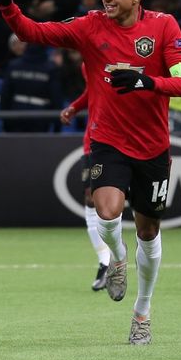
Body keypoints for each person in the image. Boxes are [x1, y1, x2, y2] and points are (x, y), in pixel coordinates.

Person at [0, 0, 181, 345]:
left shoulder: (164, 25)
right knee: (107, 210)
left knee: (149, 232)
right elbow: (32, 32)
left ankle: (142, 311)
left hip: (152, 148)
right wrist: (6, 6)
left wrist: (145, 82)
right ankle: (116, 257)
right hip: (108, 140)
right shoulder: (89, 26)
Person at [60, 64, 111, 291]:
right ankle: (105, 262)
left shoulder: (124, 57)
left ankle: (118, 260)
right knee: (91, 198)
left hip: (123, 139)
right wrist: (74, 107)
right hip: (93, 141)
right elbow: (93, 91)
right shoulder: (86, 63)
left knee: (114, 203)